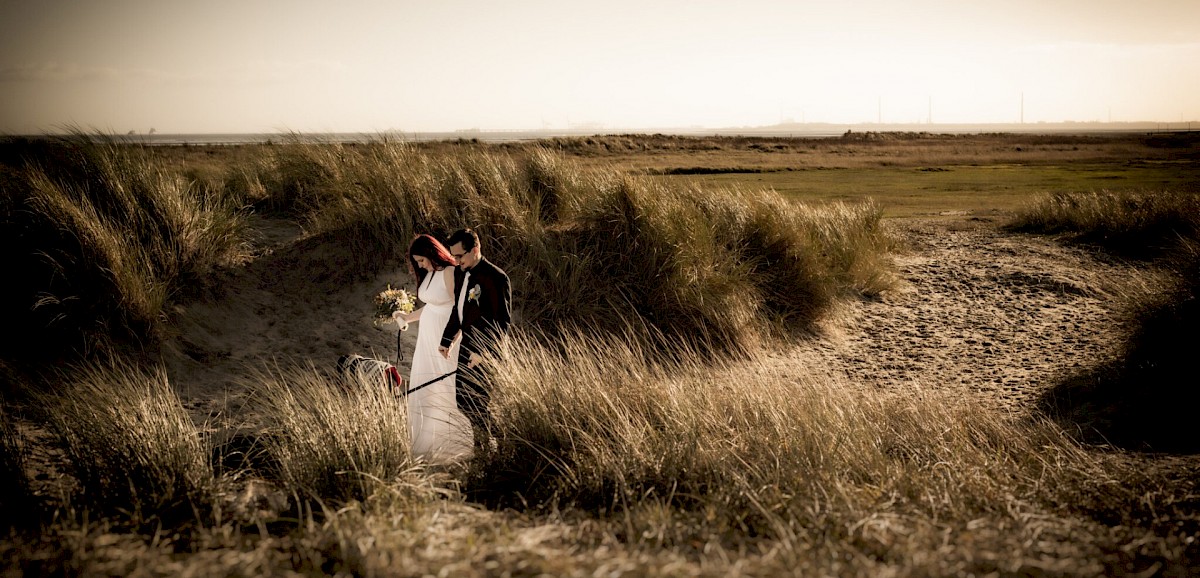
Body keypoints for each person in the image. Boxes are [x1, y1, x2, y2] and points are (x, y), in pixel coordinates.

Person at [393, 234, 473, 462]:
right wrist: (407, 317)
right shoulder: (428, 276)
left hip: (445, 338)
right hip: (426, 339)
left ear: (431, 253)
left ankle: (455, 444)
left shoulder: (449, 272)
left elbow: (458, 307)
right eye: (417, 262)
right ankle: (427, 444)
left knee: (444, 385)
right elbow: (430, 308)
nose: (420, 265)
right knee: (426, 384)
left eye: (421, 260)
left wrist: (452, 338)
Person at [438, 228, 512, 451]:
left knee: (478, 401)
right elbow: (459, 309)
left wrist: (485, 352)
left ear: (476, 249)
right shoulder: (461, 272)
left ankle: (502, 440)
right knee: (463, 401)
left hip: (485, 351)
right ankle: (485, 445)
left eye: (460, 255)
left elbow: (502, 321)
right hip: (466, 345)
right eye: (453, 256)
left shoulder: (496, 278)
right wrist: (446, 339)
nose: (456, 260)